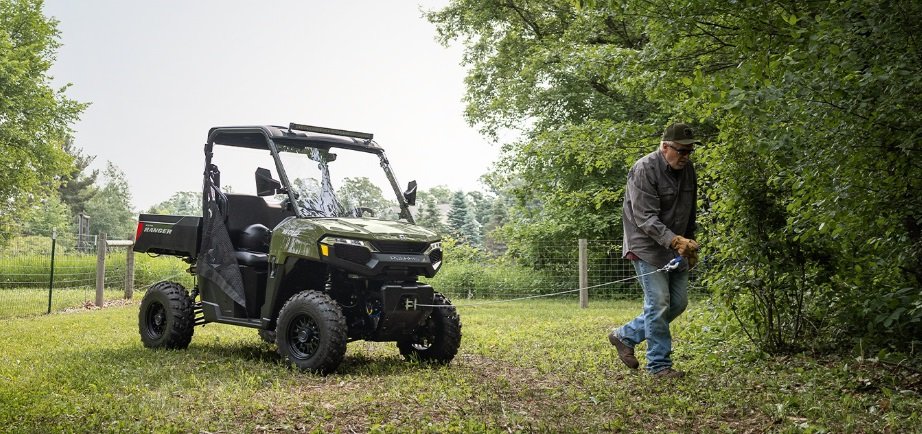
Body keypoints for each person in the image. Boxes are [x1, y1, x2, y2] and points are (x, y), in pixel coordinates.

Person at [608, 122, 701, 379]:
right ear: (665, 147)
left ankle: (625, 336)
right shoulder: (644, 169)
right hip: (646, 246)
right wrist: (675, 241)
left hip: (675, 246)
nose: (686, 156)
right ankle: (659, 366)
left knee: (678, 303)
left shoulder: (688, 170)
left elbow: (689, 211)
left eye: (689, 151)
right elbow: (645, 217)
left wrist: (689, 243)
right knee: (658, 303)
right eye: (681, 150)